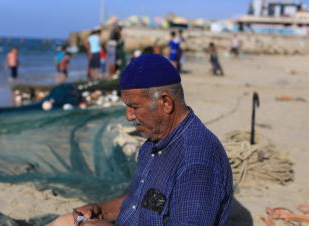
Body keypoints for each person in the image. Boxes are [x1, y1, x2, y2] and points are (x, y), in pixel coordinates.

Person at [47, 54, 233, 226]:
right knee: (64, 222)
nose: (129, 116)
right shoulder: (156, 140)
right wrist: (101, 210)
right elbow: (142, 201)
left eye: (134, 107)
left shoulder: (197, 162)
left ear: (166, 102)